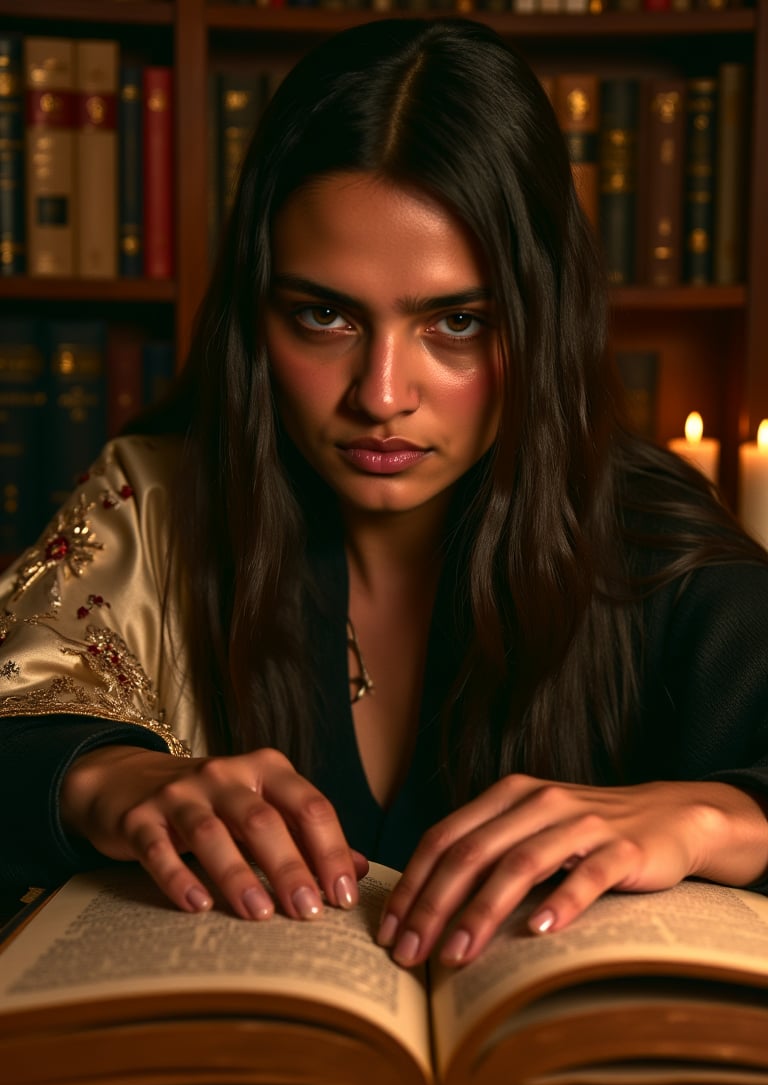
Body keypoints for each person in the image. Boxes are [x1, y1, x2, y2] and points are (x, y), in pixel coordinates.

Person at [2, 17, 768, 971]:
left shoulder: (663, 549)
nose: (383, 395)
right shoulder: (153, 511)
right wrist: (103, 779)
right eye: (324, 315)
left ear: (544, 317)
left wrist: (715, 817)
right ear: (256, 312)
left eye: (456, 321)